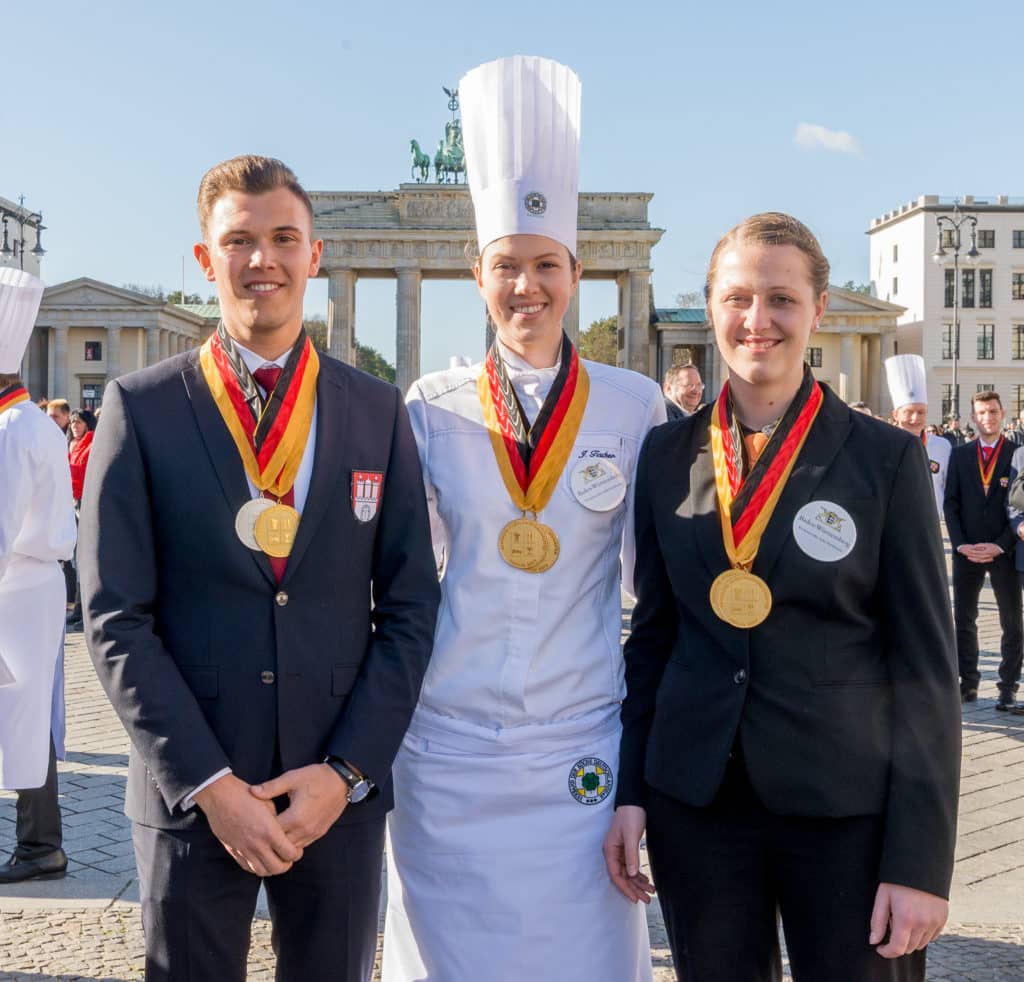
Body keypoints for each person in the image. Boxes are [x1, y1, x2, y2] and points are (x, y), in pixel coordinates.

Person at [79, 155, 439, 981]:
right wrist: (208, 782)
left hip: (331, 791)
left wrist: (347, 772)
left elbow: (413, 602)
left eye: (283, 238)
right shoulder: (141, 408)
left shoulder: (375, 409)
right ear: (206, 260)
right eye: (239, 240)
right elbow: (114, 616)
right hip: (195, 793)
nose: (261, 260)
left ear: (315, 255)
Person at [604, 213, 961, 981]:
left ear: (819, 310)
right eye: (737, 298)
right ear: (710, 308)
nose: (756, 321)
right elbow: (655, 636)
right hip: (697, 805)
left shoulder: (885, 459)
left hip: (847, 810)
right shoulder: (667, 454)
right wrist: (631, 788)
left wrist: (921, 859)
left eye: (781, 299)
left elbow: (927, 670)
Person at [382, 56, 663, 982]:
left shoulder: (632, 406)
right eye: (507, 266)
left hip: (576, 743)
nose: (526, 286)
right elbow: (399, 578)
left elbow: (654, 592)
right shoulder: (431, 402)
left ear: (577, 272)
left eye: (546, 266)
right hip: (447, 743)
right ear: (478, 273)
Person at [0, 267, 77, 884]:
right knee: (27, 716)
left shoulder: (8, 430)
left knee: (21, 716)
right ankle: (38, 843)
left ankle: (38, 847)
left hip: (16, 584)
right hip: (33, 582)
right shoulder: (35, 422)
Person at [944, 391, 1022, 708]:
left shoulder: (1017, 454)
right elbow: (951, 504)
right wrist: (961, 544)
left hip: (1004, 550)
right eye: (981, 413)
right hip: (968, 552)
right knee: (964, 619)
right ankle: (968, 683)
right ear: (973, 418)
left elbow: (1019, 504)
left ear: (1002, 413)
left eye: (992, 411)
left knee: (1012, 622)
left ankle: (1007, 687)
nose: (987, 417)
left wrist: (1001, 545)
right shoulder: (960, 455)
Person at [885, 354, 950, 517]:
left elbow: (950, 489)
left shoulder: (942, 446)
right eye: (908, 412)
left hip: (935, 524)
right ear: (895, 414)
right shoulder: (881, 444)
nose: (915, 419)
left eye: (921, 412)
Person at [65, 408, 98, 631]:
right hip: (73, 501)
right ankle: (78, 610)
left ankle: (84, 613)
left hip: (87, 501)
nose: (75, 426)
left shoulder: (92, 443)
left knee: (84, 560)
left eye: (79, 423)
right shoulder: (71, 445)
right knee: (76, 560)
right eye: (73, 423)